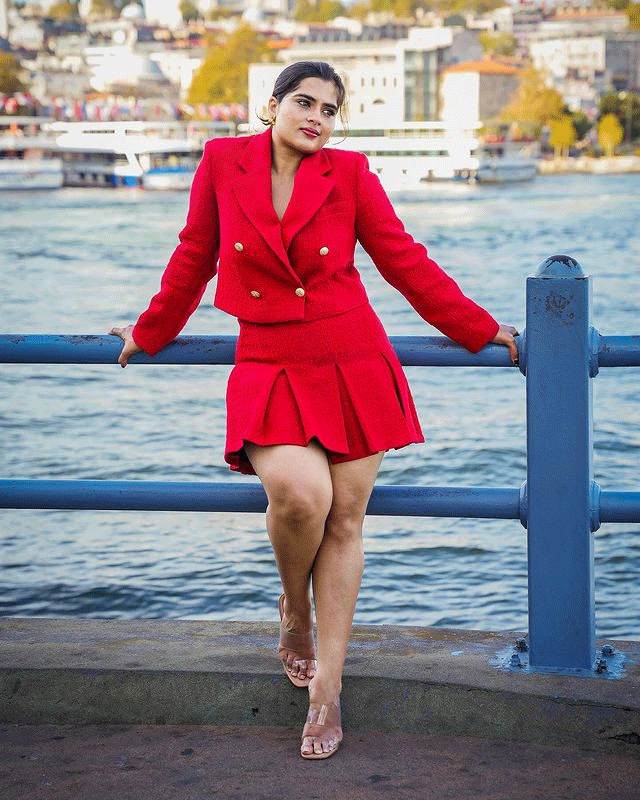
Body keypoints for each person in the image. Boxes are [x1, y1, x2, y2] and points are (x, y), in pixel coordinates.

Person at [111, 60, 519, 760]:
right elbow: (195, 255)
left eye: (330, 110)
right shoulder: (222, 162)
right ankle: (295, 611)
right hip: (268, 359)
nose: (317, 118)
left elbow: (403, 261)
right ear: (273, 105)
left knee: (346, 520)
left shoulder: (351, 173)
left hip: (353, 357)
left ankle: (327, 690)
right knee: (301, 497)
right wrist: (150, 332)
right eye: (305, 102)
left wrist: (479, 329)